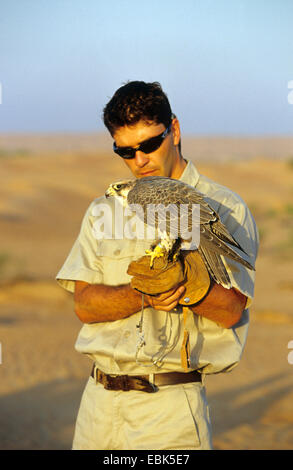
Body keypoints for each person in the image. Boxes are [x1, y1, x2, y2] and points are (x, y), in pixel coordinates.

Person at [56, 81, 259, 450]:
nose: (139, 160)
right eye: (126, 151)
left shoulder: (224, 207)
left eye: (150, 144)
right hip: (98, 407)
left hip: (169, 409)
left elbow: (232, 310)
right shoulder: (106, 208)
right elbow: (84, 304)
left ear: (175, 131)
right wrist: (144, 294)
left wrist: (184, 283)